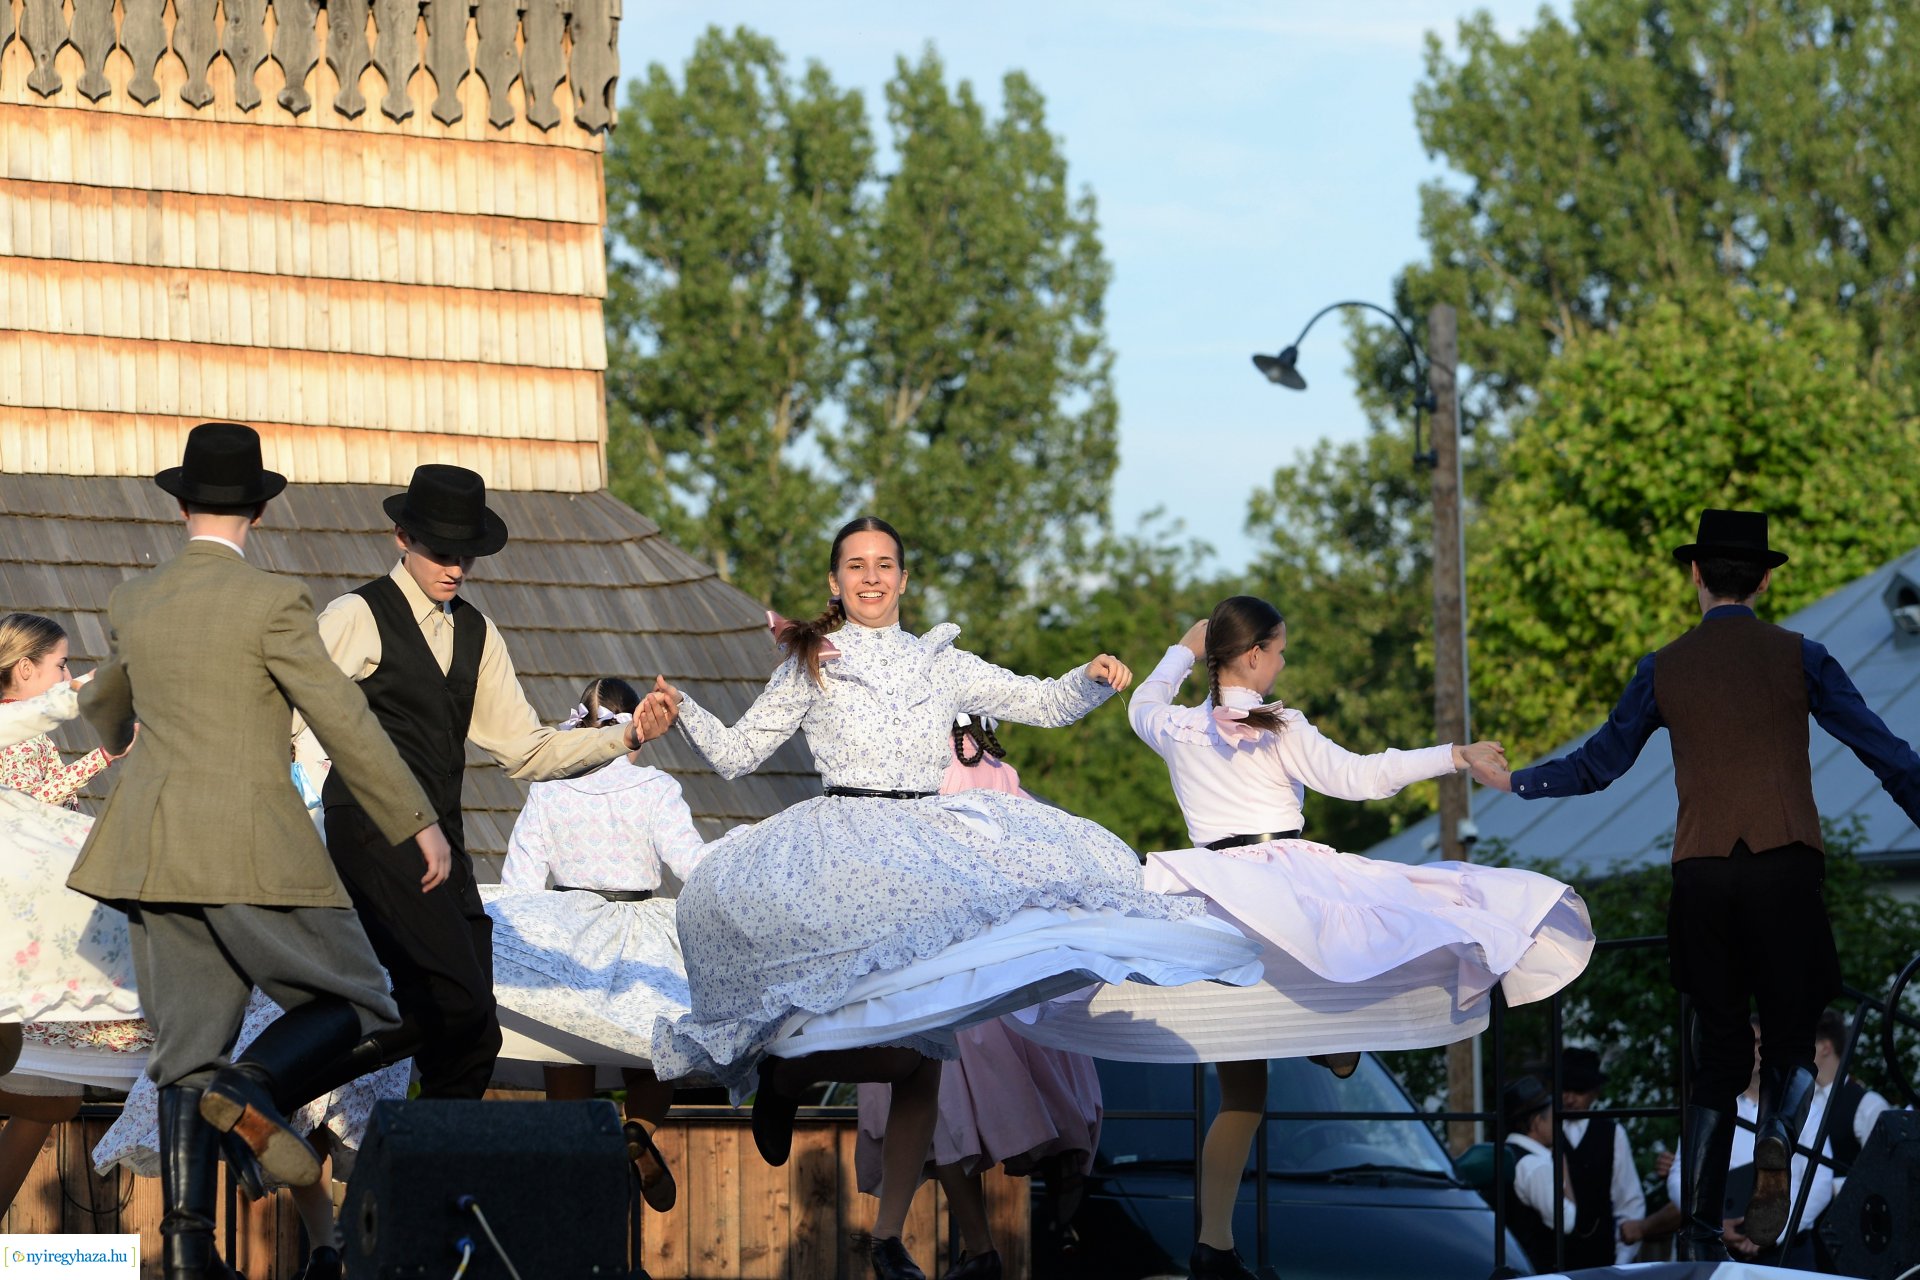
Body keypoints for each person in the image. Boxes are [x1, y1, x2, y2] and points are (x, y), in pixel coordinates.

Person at [646, 516, 1263, 1280]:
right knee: (866, 1023)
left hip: (925, 847)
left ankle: (887, 1236)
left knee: (928, 1051)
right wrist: (685, 713)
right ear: (835, 583)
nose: (871, 577)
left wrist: (1091, 680)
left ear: (903, 579)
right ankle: (791, 1072)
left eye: (885, 565)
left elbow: (1035, 700)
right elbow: (739, 756)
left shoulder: (939, 661)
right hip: (843, 845)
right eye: (856, 566)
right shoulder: (812, 663)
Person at [1012, 598, 1593, 1280]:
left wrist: (1183, 648)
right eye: (1279, 650)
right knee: (1370, 936)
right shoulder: (1278, 724)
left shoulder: (1175, 727)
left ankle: (1215, 1244)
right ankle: (1333, 1042)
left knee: (1244, 1095)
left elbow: (1143, 702)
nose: (1283, 662)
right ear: (1254, 654)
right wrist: (1454, 755)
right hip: (1282, 884)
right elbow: (1361, 776)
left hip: (1216, 897)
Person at [63, 422, 455, 1280]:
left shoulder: (136, 598)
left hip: (153, 850)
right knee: (368, 1004)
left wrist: (123, 731)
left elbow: (104, 697)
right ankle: (250, 1089)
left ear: (179, 503)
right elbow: (341, 718)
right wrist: (413, 818)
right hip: (249, 845)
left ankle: (188, 1251)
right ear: (265, 508)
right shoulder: (273, 601)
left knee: (182, 1051)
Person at [1480, 509, 1920, 1260]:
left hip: (1704, 873)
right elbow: (1881, 748)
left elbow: (1599, 765)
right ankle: (1777, 1144)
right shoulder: (1801, 656)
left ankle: (1697, 1215)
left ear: (1695, 575)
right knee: (1789, 1036)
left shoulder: (1665, 666)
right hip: (1785, 866)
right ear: (1767, 578)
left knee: (1717, 1046)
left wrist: (1518, 780)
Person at [299, 465, 666, 1101]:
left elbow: (525, 750)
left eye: (467, 553)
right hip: (371, 830)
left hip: (445, 840)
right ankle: (280, 1084)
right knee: (457, 1004)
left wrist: (627, 736)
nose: (456, 567)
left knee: (474, 1037)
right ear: (401, 539)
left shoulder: (478, 632)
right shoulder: (356, 615)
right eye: (442, 551)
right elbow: (286, 714)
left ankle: (429, 1182)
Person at [855, 715, 1107, 1280]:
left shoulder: (917, 768)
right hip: (998, 951)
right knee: (1026, 1065)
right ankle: (1061, 1169)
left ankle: (979, 1245)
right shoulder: (998, 771)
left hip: (943, 960)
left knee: (938, 1109)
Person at [482, 676, 704, 1212]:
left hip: (568, 930)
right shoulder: (655, 788)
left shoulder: (550, 787)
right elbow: (693, 866)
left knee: (565, 1039)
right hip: (638, 928)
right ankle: (638, 1131)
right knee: (655, 1050)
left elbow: (521, 880)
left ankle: (578, 1172)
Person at [93, 986, 412, 1280]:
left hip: (292, 987)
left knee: (217, 1087)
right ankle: (327, 1253)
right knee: (324, 1122)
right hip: (365, 992)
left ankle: (194, 1245)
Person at [0, 626, 146, 1218]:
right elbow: (29, 802)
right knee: (39, 1102)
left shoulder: (23, 729)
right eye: (59, 665)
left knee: (45, 1107)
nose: (65, 673)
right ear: (26, 669)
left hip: (40, 911)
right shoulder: (10, 727)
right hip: (28, 924)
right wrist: (104, 756)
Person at [1664, 1017, 1832, 1266]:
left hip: (1787, 1249)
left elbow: (1820, 1182)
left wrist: (1771, 1233)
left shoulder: (1808, 1110)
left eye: (1760, 1042)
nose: (1754, 1049)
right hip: (1723, 1241)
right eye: (1747, 1042)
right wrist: (1715, 1222)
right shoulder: (1711, 1109)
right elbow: (1681, 1175)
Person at [1807, 1006, 1892, 1269]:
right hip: (1802, 1242)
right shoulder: (1800, 1103)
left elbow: (1884, 1178)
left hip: (1846, 1243)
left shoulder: (1867, 1104)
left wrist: (1828, 1187)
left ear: (1824, 1047)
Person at [1555, 1046, 1650, 1267]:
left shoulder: (1611, 1133)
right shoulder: (1548, 1131)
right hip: (1554, 1253)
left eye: (1578, 1091)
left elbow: (1628, 1198)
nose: (1569, 1099)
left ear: (1595, 1092)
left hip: (1601, 1252)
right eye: (1564, 1089)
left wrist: (1622, 1260)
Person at [1502, 1075, 1582, 1272]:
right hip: (1532, 1270)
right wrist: (1562, 1169)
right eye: (1553, 1117)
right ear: (1537, 1122)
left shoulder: (1508, 1153)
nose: (1559, 1124)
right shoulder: (1536, 1166)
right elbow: (1567, 1222)